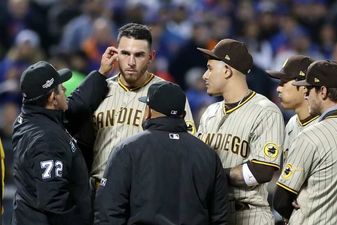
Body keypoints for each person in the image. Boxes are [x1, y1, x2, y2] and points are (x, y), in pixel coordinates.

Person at [94, 81, 228, 225]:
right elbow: (220, 217)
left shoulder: (128, 149)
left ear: (148, 111)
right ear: (182, 114)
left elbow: (108, 210)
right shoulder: (208, 154)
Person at [11, 47, 116, 225]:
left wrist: (101, 74)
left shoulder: (32, 117)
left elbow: (74, 108)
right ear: (52, 97)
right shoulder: (46, 139)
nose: (65, 90)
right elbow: (54, 203)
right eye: (61, 87)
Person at [84, 23, 195, 186]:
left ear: (151, 56)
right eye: (125, 53)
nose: (131, 62)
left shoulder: (169, 94)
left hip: (144, 190)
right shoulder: (98, 89)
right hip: (98, 190)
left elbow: (187, 145)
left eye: (139, 55)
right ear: (115, 54)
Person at [197, 39, 285, 225]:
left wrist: (214, 175)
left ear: (227, 70)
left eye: (210, 68)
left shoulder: (265, 110)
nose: (205, 75)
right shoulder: (210, 113)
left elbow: (262, 171)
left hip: (248, 214)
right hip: (213, 214)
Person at [273, 60, 337, 225]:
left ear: (323, 91)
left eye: (309, 89)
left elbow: (281, 200)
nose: (305, 95)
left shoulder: (312, 135)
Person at [266, 55, 319, 162]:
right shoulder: (292, 123)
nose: (278, 88)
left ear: (304, 87)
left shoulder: (323, 128)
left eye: (284, 82)